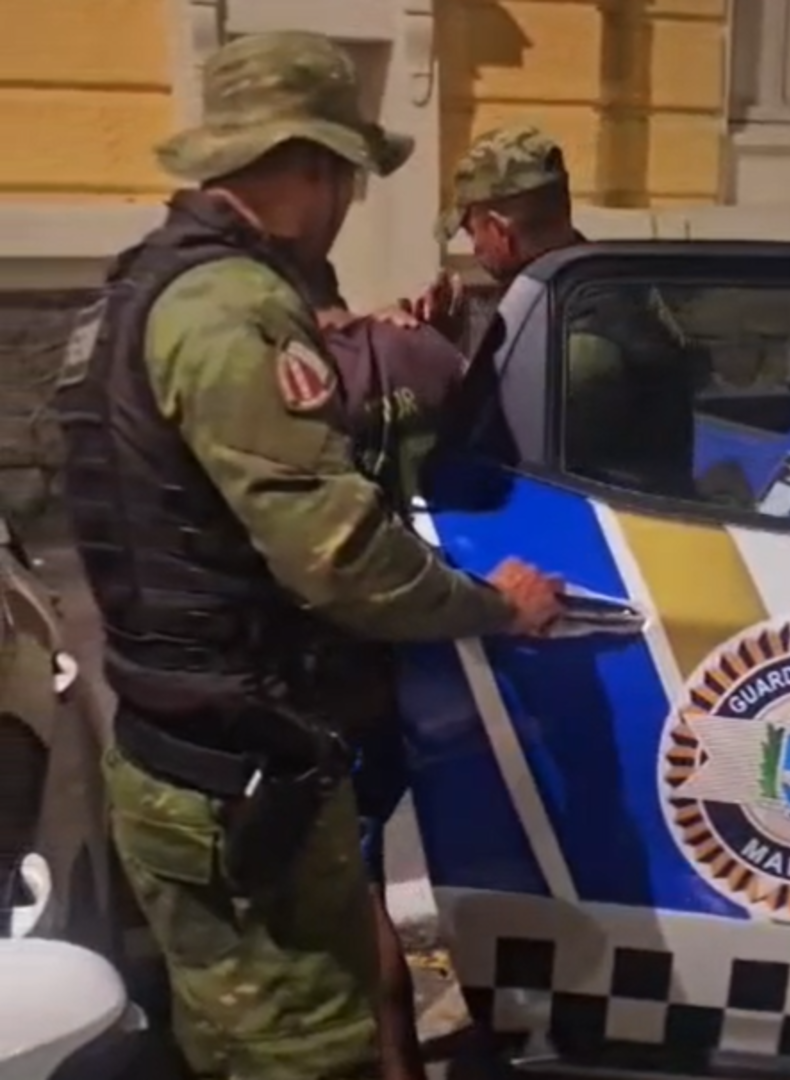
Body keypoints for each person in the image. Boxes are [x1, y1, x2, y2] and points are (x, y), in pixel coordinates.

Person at [52, 31, 562, 1080]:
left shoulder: (128, 295)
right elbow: (339, 557)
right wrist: (494, 605)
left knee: (229, 1043)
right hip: (245, 772)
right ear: (310, 166)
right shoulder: (236, 307)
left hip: (166, 749)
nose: (347, 204)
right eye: (347, 176)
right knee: (308, 1056)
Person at [313, 274, 468, 1080]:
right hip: (433, 646)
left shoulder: (286, 377)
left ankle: (395, 1059)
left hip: (337, 659)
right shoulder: (421, 353)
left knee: (352, 879)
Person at [433, 124, 703, 496]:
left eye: (471, 231)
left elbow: (485, 452)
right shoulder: (594, 285)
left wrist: (435, 358)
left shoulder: (580, 348)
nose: (474, 247)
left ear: (498, 232)